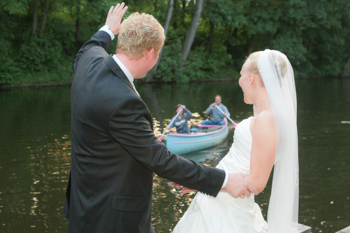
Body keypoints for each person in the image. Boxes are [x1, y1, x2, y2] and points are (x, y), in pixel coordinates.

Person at [62, 3, 257, 233]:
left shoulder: (88, 62)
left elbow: (91, 45)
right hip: (113, 219)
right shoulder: (124, 102)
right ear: (150, 53)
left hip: (82, 205)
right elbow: (160, 159)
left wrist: (108, 28)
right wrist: (223, 181)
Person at [173, 49, 299, 233]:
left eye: (241, 75)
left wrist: (205, 183)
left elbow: (256, 182)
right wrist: (198, 183)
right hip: (221, 199)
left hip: (228, 208)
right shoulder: (265, 114)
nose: (239, 81)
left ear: (251, 79)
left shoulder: (267, 120)